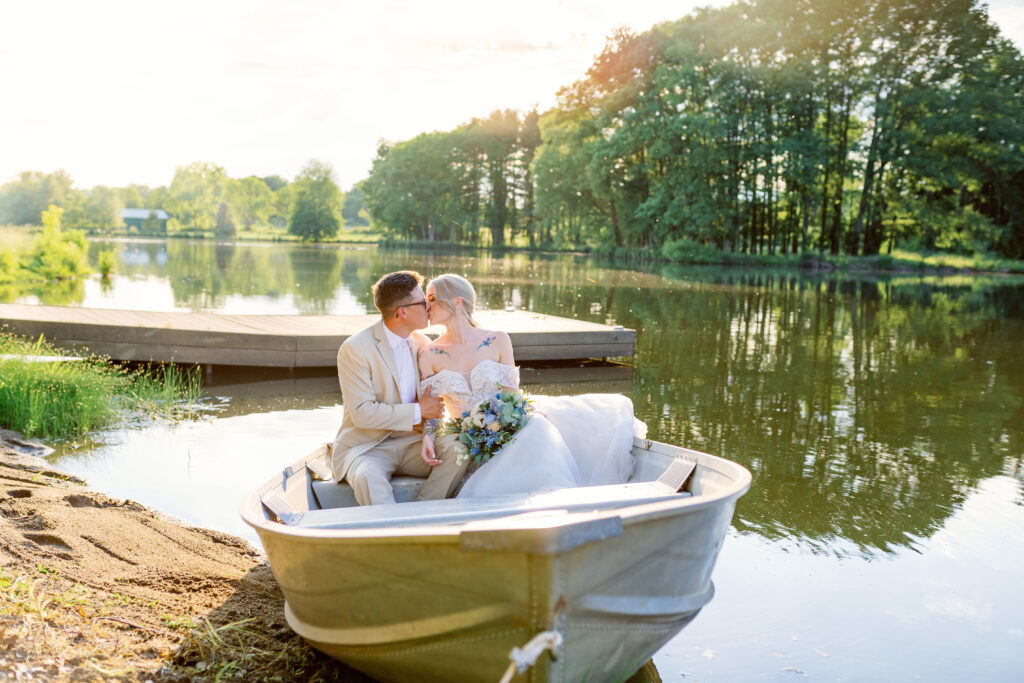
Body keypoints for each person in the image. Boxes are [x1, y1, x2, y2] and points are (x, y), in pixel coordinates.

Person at [417, 273, 642, 499]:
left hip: (507, 428)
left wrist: (502, 426)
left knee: (537, 432)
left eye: (433, 298)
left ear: (457, 301)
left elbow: (511, 397)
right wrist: (429, 436)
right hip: (468, 440)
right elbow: (432, 409)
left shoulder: (497, 340)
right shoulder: (428, 353)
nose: (426, 305)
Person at [331, 270, 467, 505]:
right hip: (367, 447)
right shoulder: (355, 348)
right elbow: (363, 413)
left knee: (460, 450)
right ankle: (388, 534)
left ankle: (422, 515)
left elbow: (434, 404)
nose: (428, 306)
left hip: (412, 444)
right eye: (423, 301)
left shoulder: (423, 345)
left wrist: (428, 434)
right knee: (367, 477)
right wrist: (419, 411)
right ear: (402, 312)